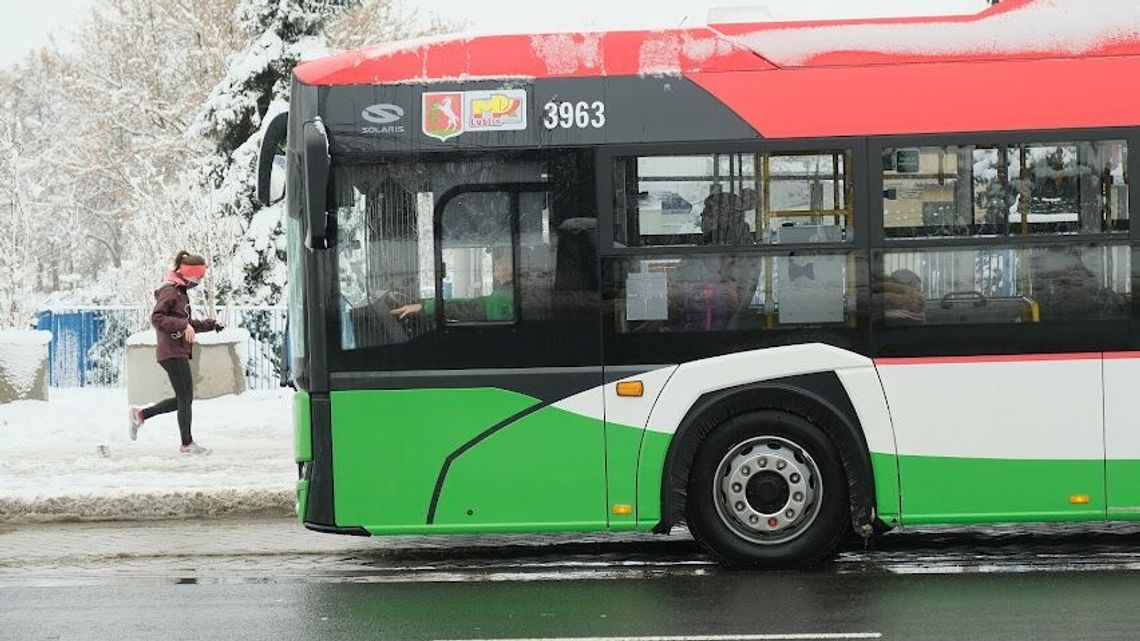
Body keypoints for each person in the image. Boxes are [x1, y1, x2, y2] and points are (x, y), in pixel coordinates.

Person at [128, 251, 223, 454]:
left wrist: (210, 324)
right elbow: (157, 318)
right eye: (198, 276)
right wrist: (183, 325)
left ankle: (141, 415)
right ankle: (186, 444)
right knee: (185, 397)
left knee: (184, 398)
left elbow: (187, 324)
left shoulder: (180, 292)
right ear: (188, 273)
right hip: (171, 351)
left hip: (175, 350)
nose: (199, 280)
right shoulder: (170, 291)